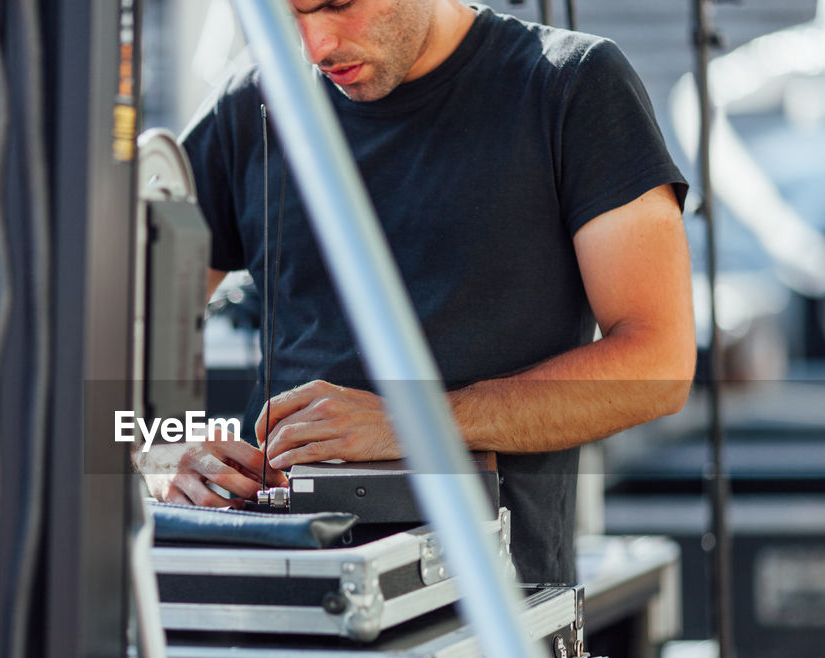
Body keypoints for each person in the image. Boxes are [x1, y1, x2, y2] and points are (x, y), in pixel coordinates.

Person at [138, 0, 695, 585]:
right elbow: (111, 331)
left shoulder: (571, 83)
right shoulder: (253, 99)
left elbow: (659, 363)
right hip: (265, 587)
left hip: (487, 607)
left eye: (338, 5)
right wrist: (156, 449)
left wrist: (413, 422)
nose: (316, 45)